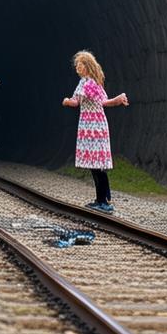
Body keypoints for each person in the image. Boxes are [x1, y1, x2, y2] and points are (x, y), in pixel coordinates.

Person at [61, 50, 128, 213]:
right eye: (76, 65)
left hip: (94, 126)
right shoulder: (84, 82)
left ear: (87, 66)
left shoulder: (89, 83)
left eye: (80, 64)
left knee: (97, 165)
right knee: (94, 164)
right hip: (88, 125)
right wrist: (69, 102)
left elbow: (102, 102)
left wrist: (118, 99)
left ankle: (103, 200)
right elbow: (77, 102)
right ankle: (101, 198)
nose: (77, 67)